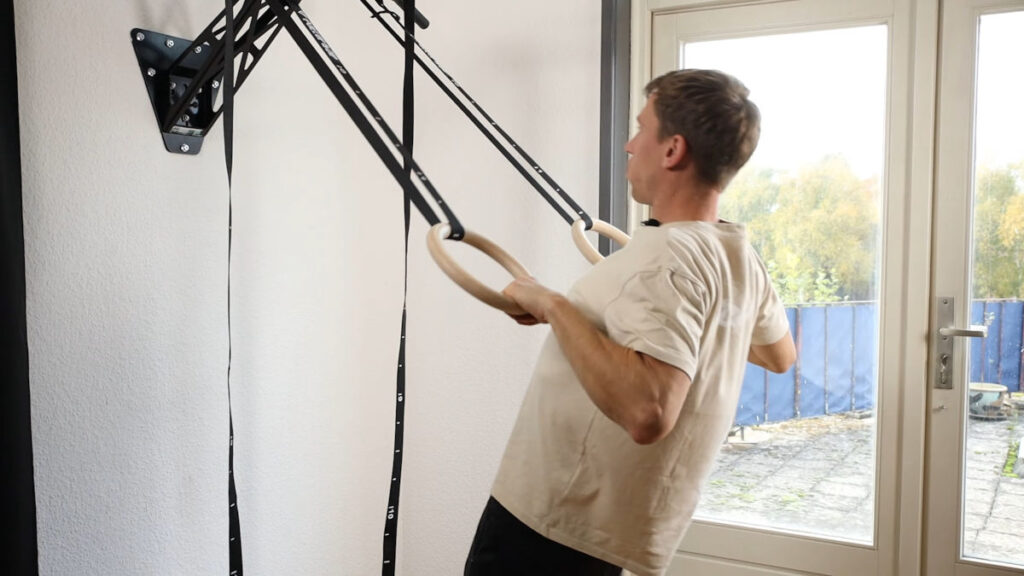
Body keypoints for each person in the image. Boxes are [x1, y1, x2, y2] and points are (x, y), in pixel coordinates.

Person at [464, 69, 797, 576]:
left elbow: (649, 411)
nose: (628, 143)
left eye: (642, 128)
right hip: (600, 531)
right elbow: (779, 354)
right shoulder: (733, 251)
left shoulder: (664, 260)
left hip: (553, 527)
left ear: (672, 151)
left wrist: (555, 306)